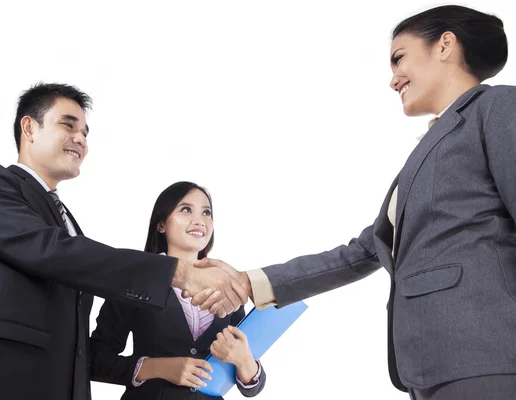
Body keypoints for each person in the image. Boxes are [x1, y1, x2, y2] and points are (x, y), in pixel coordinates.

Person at [191, 5, 516, 399]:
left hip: (486, 356)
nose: (393, 79)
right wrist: (246, 283)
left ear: (445, 45)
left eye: (399, 58)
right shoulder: (429, 149)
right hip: (432, 368)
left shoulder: (497, 107)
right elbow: (360, 254)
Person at [0, 83, 248, 400]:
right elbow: (51, 251)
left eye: (85, 132)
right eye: (68, 125)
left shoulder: (70, 223)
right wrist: (179, 273)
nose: (81, 139)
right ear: (29, 127)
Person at [90, 181, 266, 399]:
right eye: (186, 209)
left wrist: (245, 362)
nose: (199, 220)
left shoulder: (227, 285)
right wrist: (157, 368)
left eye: (207, 212)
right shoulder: (135, 279)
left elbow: (252, 386)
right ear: (161, 224)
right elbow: (93, 359)